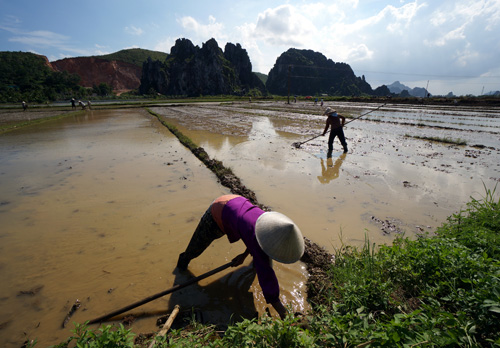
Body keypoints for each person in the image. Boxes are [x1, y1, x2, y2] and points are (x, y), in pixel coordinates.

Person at [176, 194, 304, 319]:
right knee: (195, 248)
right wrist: (283, 312)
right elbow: (267, 277)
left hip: (235, 202)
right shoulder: (259, 232)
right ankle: (180, 268)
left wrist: (244, 255)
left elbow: (255, 236)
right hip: (218, 211)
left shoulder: (266, 224)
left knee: (260, 256)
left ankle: (255, 263)